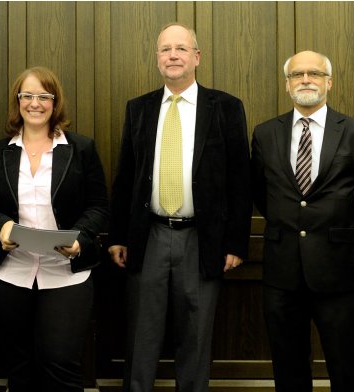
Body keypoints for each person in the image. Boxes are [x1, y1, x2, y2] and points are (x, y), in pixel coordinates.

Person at [108, 22, 252, 392]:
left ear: (196, 57)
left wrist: (236, 243)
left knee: (196, 334)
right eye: (165, 49)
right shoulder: (138, 108)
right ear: (157, 58)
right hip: (149, 236)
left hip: (202, 240)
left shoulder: (226, 107)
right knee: (142, 337)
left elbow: (240, 179)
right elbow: (126, 177)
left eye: (181, 49)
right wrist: (118, 237)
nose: (173, 55)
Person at [250, 50, 354, 392]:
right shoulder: (265, 134)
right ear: (287, 85)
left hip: (340, 272)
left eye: (314, 73)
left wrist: (343, 235)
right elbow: (259, 194)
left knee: (344, 368)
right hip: (283, 273)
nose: (306, 79)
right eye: (298, 74)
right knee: (289, 369)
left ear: (329, 82)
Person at [0, 66, 109, 392]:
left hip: (66, 272)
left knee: (60, 362)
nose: (35, 103)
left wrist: (79, 238)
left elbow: (99, 207)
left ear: (55, 101)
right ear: (17, 101)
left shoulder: (81, 149)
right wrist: (1, 226)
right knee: (18, 366)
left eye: (43, 96)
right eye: (27, 96)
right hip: (10, 273)